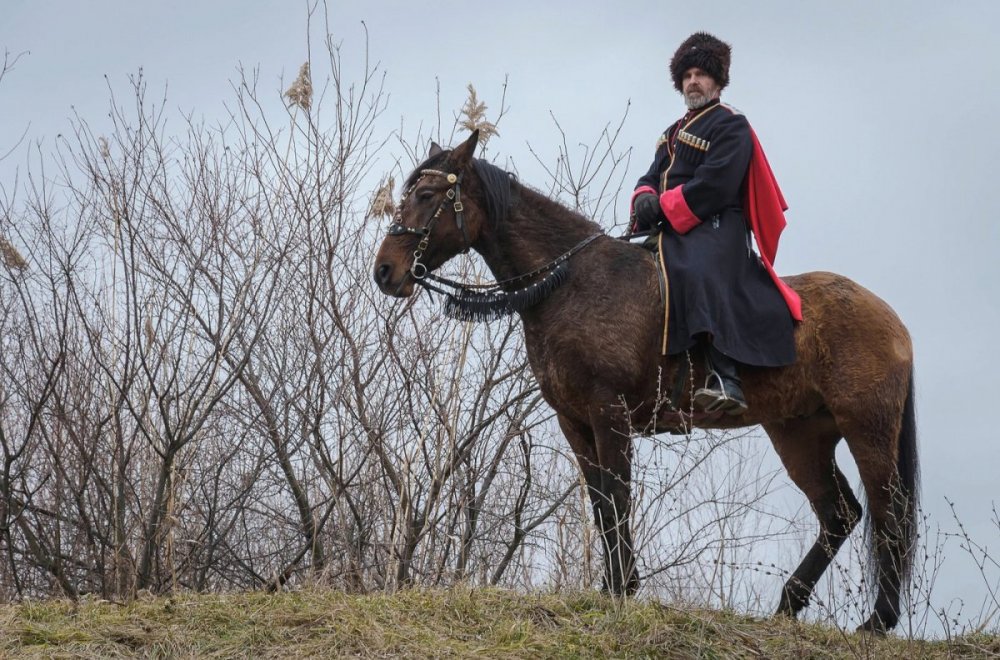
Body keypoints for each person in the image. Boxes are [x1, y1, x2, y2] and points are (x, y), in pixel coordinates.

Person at [631, 32, 802, 415]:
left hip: (717, 227)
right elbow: (650, 176)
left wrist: (662, 206)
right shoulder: (671, 133)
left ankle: (726, 378)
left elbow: (716, 185)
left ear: (717, 81)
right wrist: (643, 196)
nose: (694, 81)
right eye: (688, 75)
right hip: (671, 227)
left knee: (696, 269)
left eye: (702, 74)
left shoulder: (731, 126)